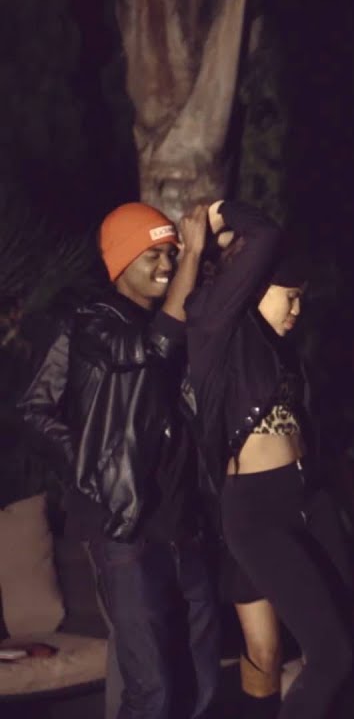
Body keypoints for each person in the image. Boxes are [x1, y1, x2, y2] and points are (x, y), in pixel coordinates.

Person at [19, 202, 220, 719]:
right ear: (121, 262)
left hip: (184, 524)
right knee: (152, 690)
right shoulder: (95, 321)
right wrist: (91, 465)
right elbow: (150, 349)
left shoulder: (173, 323)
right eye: (153, 254)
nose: (167, 264)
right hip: (126, 528)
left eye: (172, 253)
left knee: (200, 683)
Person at [186, 200, 354, 719]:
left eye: (301, 299)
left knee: (349, 643)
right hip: (258, 511)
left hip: (311, 500)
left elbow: (321, 442)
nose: (297, 310)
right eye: (289, 297)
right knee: (332, 655)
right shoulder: (218, 329)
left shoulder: (280, 352)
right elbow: (266, 235)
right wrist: (219, 213)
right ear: (253, 288)